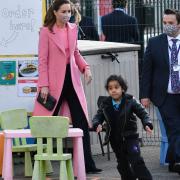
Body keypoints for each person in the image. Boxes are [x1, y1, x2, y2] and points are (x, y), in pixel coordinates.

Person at [33, 0, 102, 174]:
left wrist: (85, 68)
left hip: (72, 82)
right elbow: (42, 61)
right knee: (46, 125)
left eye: (69, 11)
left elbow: (75, 53)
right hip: (52, 85)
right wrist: (44, 85)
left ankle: (87, 165)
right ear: (55, 12)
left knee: (81, 123)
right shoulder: (46, 32)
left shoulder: (73, 29)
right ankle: (41, 164)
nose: (67, 14)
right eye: (63, 11)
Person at [140, 9, 180, 174]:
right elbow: (147, 70)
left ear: (179, 24)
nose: (167, 26)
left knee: (175, 131)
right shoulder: (155, 42)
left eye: (171, 23)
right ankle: (178, 160)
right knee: (175, 128)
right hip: (165, 95)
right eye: (164, 23)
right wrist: (144, 95)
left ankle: (173, 160)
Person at [92, 75, 153, 180]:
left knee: (136, 160)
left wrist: (147, 124)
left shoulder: (130, 100)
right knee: (122, 164)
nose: (113, 90)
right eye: (110, 88)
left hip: (131, 137)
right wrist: (97, 124)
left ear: (122, 88)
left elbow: (143, 113)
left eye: (116, 87)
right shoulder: (105, 104)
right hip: (115, 139)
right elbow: (98, 116)